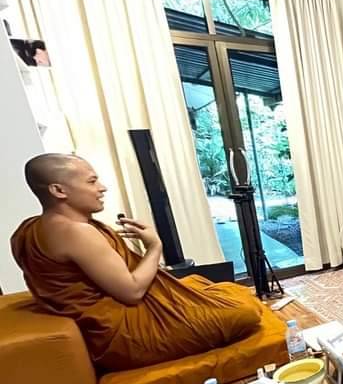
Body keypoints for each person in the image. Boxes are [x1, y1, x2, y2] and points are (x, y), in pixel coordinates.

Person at [11, 154, 264, 371]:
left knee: (208, 286)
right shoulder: (76, 232)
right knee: (244, 309)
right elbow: (132, 292)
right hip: (122, 334)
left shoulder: (30, 229)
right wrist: (154, 247)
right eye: (91, 181)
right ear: (59, 190)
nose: (102, 187)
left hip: (108, 320)